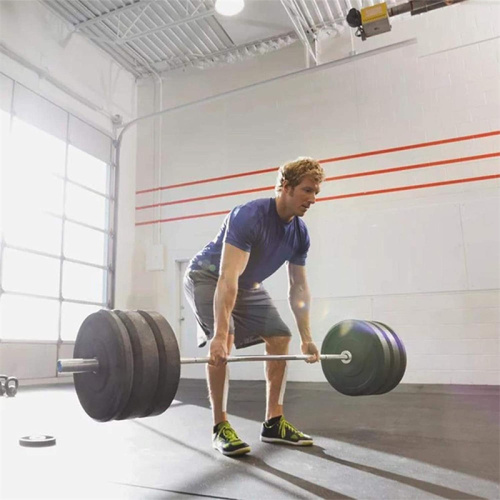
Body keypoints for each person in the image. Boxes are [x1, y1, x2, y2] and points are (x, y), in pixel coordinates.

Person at [183, 157, 325, 456]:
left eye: (316, 192)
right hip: (208, 275)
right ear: (285, 187)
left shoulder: (300, 233)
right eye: (307, 191)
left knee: (280, 337)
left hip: (246, 284)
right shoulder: (249, 216)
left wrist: (307, 337)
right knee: (226, 339)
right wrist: (220, 336)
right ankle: (220, 426)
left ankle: (273, 422)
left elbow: (298, 287)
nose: (313, 199)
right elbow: (227, 277)